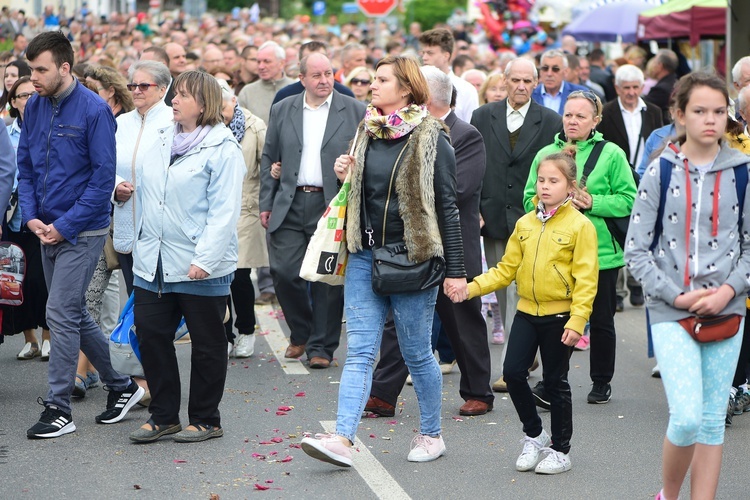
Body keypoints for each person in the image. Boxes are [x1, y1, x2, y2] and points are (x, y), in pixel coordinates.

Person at [300, 55, 466, 467]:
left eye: (381, 80)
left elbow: (448, 206)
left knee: (416, 353)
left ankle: (431, 433)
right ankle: (343, 437)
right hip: (363, 254)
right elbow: (362, 192)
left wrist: (457, 271)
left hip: (413, 259)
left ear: (406, 89)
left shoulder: (432, 136)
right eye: (373, 79)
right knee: (359, 351)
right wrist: (345, 174)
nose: (371, 85)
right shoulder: (367, 129)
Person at [624, 71, 750, 500]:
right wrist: (678, 295)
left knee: (713, 422)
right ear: (679, 114)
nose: (710, 120)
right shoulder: (660, 170)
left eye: (719, 111)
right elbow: (636, 251)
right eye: (699, 111)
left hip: (727, 310)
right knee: (686, 419)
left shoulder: (743, 173)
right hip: (670, 308)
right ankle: (668, 495)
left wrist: (727, 293)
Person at [18, 31, 143, 439]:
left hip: (84, 229)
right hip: (46, 227)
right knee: (72, 312)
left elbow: (102, 178)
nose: (32, 77)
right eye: (31, 68)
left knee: (59, 313)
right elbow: (29, 167)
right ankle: (122, 385)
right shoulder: (35, 106)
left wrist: (63, 226)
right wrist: (34, 218)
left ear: (65, 67)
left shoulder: (93, 110)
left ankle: (58, 408)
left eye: (41, 69)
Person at [451, 148, 598, 473]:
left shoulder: (580, 226)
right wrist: (469, 287)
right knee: (514, 374)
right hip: (527, 313)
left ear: (570, 187)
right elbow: (505, 270)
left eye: (553, 181)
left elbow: (587, 279)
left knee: (556, 382)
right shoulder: (526, 223)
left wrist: (578, 320)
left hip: (560, 318)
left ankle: (561, 450)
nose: (545, 186)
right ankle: (535, 435)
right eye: (541, 180)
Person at [366, 65, 492, 417]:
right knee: (401, 318)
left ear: (427, 94)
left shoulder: (465, 135)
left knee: (461, 317)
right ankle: (383, 393)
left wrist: (407, 195)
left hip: (452, 240)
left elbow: (456, 190)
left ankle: (478, 390)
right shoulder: (404, 130)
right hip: (412, 242)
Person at [128, 70, 245, 444]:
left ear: (204, 103)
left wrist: (205, 259)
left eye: (182, 95)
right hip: (155, 260)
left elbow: (224, 211)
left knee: (208, 343)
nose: (173, 100)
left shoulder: (223, 146)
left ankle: (206, 419)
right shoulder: (162, 139)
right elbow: (149, 194)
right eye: (174, 94)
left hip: (200, 265)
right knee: (150, 335)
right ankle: (164, 415)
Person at [523, 90, 636, 405]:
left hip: (601, 252)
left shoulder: (611, 153)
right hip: (557, 252)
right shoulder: (547, 152)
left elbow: (630, 198)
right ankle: (552, 382)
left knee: (600, 320)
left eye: (581, 116)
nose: (572, 121)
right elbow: (528, 196)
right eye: (568, 115)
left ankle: (601, 381)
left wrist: (593, 202)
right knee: (558, 320)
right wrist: (544, 202)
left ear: (595, 120)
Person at [259, 53, 365, 368]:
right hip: (290, 202)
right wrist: (266, 202)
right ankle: (302, 332)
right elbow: (269, 159)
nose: (323, 80)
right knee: (284, 271)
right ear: (302, 78)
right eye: (316, 75)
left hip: (331, 203)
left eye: (329, 74)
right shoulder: (283, 109)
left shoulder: (354, 110)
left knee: (326, 278)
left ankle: (322, 347)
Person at [470, 58, 562, 392]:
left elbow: (559, 168)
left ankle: (512, 367)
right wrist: (475, 207)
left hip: (532, 218)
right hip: (492, 215)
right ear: (504, 81)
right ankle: (526, 349)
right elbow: (473, 163)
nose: (521, 86)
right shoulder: (482, 116)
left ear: (535, 84)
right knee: (502, 290)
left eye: (528, 81)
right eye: (516, 80)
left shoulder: (550, 120)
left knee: (521, 288)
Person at [598, 64, 663, 311]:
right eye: (626, 88)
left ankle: (637, 282)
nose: (632, 93)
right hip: (616, 179)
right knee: (619, 229)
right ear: (617, 88)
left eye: (636, 87)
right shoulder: (606, 111)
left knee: (642, 230)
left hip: (646, 179)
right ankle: (618, 288)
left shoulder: (653, 111)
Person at [218, 78, 268, 358]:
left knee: (239, 274)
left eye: (223, 104)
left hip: (245, 207)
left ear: (234, 101)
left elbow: (266, 164)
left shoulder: (254, 126)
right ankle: (224, 334)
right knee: (216, 275)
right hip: (214, 210)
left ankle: (246, 330)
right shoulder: (205, 125)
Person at [3, 76, 48, 360]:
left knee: (39, 280)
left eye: (33, 94)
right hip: (11, 215)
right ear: (13, 102)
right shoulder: (7, 132)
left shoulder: (46, 127)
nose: (28, 99)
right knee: (13, 279)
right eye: (22, 95)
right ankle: (29, 337)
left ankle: (47, 334)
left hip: (40, 215)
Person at [418, 28, 479, 123]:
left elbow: (471, 126)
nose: (424, 58)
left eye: (430, 53)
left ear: (446, 56)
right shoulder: (415, 85)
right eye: (423, 53)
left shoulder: (466, 89)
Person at [531, 49, 589, 115]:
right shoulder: (530, 94)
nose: (549, 73)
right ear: (540, 71)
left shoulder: (581, 94)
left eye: (555, 69)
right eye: (545, 68)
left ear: (565, 72)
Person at [644, 49, 678, 124]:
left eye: (654, 62)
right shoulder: (675, 82)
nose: (652, 65)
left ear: (660, 66)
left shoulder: (660, 90)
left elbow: (642, 106)